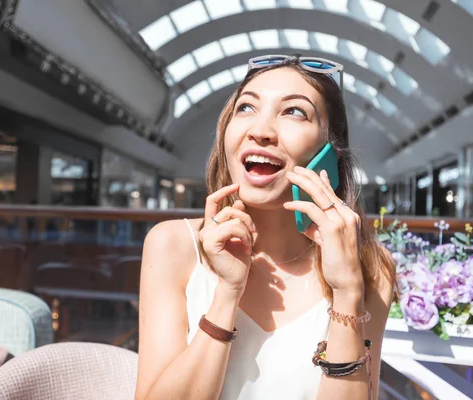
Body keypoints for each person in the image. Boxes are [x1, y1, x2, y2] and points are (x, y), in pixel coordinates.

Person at [135, 55, 395, 400]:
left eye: (294, 112)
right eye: (246, 108)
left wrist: (348, 291)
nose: (260, 131)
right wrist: (227, 293)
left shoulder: (371, 267)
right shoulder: (173, 245)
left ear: (329, 153)